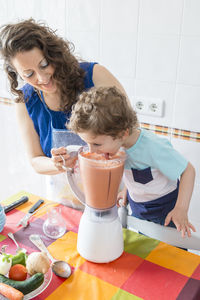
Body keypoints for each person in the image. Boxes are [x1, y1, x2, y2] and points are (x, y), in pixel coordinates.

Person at [0, 19, 128, 207]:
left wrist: (133, 187)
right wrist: (57, 164)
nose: (42, 78)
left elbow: (131, 131)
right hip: (63, 203)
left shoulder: (95, 76)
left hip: (112, 197)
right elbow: (35, 160)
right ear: (17, 74)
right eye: (29, 74)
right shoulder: (26, 101)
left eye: (44, 65)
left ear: (53, 54)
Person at [67, 86, 196, 238]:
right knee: (147, 248)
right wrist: (126, 191)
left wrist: (181, 209)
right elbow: (137, 173)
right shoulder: (117, 145)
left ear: (122, 133)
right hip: (139, 207)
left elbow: (188, 170)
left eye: (96, 144)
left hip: (165, 210)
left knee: (170, 254)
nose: (92, 151)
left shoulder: (152, 147)